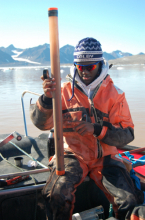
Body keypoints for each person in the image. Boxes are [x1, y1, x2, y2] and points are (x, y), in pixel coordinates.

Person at [30, 37, 144, 220]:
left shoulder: (116, 94)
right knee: (56, 194)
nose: (83, 71)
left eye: (89, 66)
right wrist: (46, 99)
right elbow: (42, 124)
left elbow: (127, 134)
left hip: (105, 157)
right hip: (72, 155)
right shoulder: (61, 91)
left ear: (99, 63)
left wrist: (98, 130)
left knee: (128, 199)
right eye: (80, 66)